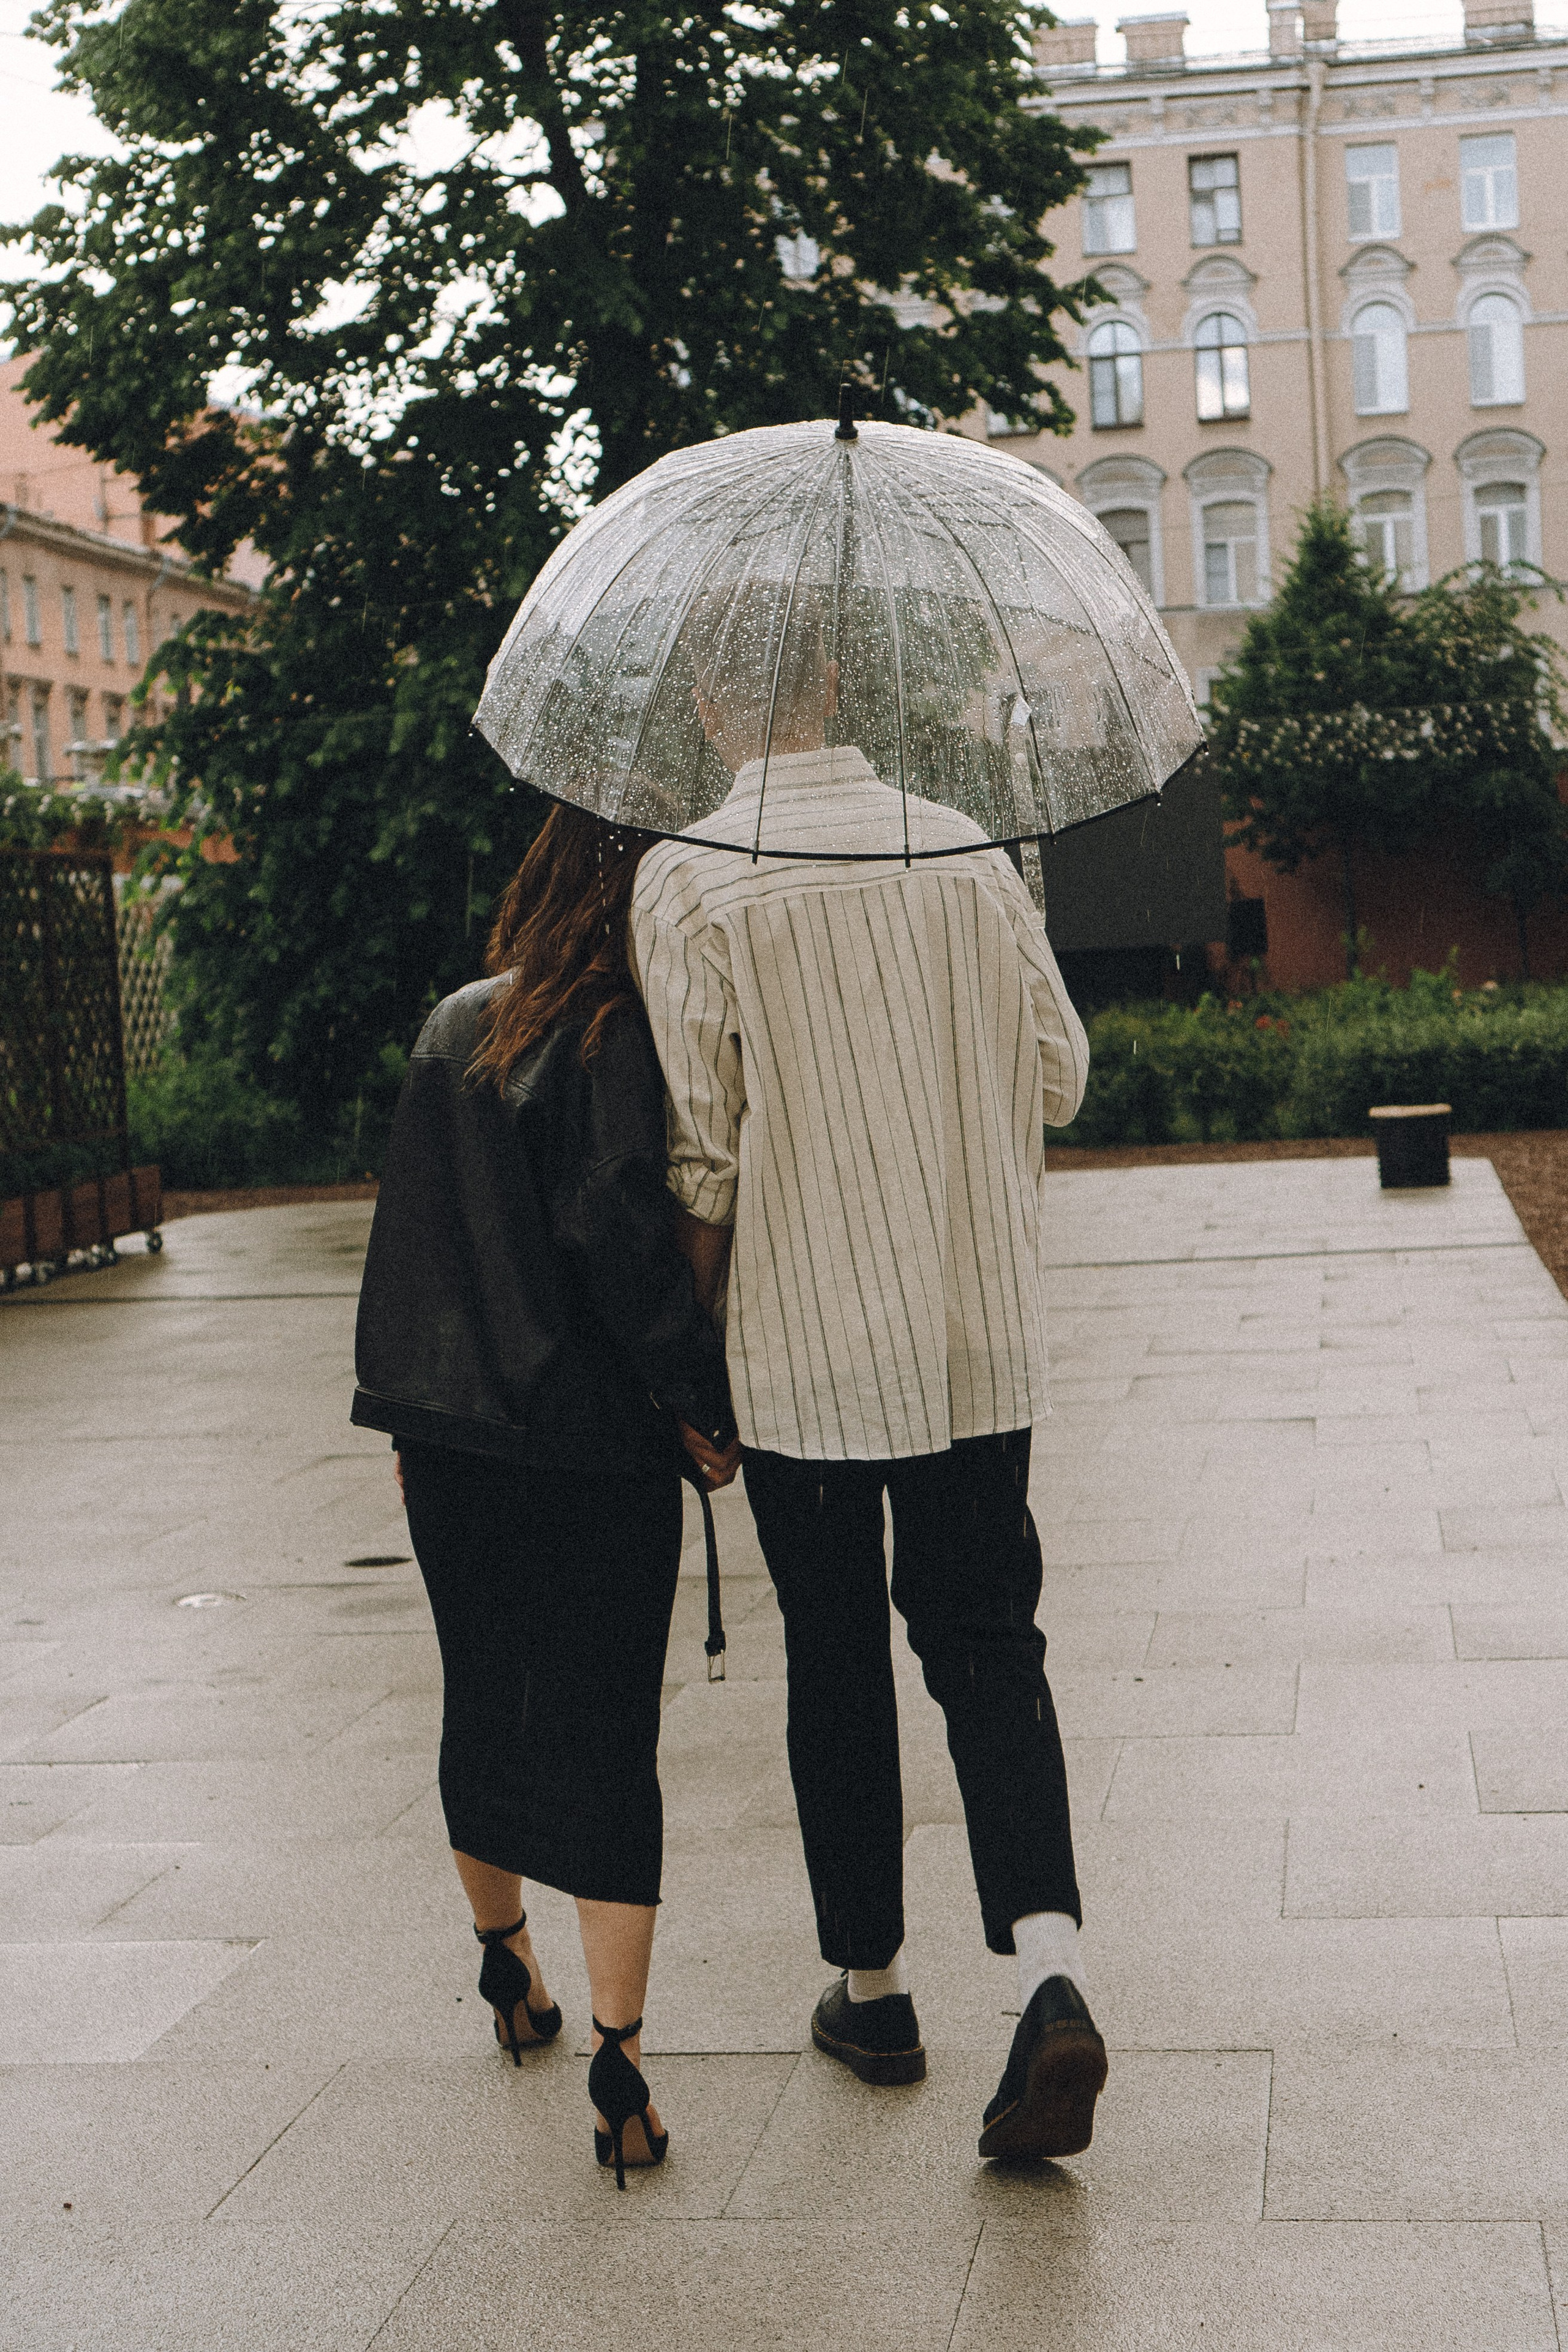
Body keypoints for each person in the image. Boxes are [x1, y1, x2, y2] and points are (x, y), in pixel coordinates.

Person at [628, 611, 1106, 2162]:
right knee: (987, 1642)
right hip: (972, 1332)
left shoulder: (691, 874)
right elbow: (1058, 1077)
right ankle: (1048, 1972)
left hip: (801, 1345)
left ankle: (874, 1990)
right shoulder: (965, 851)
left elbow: (702, 1149)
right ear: (839, 683)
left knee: (831, 1650)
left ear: (715, 696)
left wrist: (680, 1360)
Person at [351, 805, 740, 2188]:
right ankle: (621, 2065)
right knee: (602, 1728)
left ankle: (504, 1966)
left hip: (448, 1437)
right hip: (585, 1443)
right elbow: (621, 1238)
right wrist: (699, 1399)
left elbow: (408, 1235)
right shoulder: (609, 1032)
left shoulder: (454, 1024)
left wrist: (407, 1408)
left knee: (483, 1694)